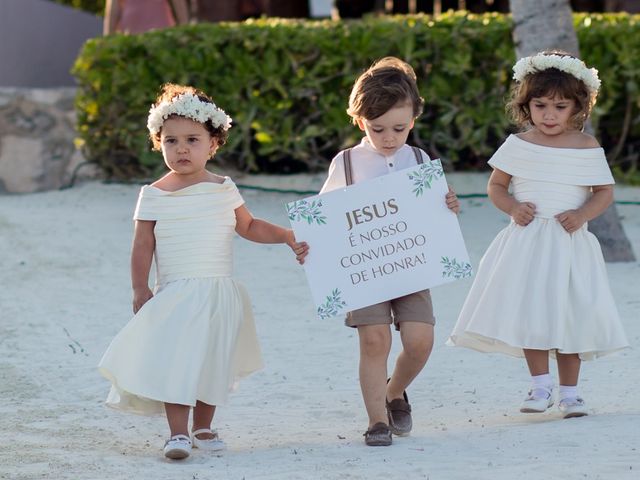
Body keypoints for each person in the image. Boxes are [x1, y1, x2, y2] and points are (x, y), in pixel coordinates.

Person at [98, 83, 309, 460]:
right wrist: (138, 288)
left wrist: (287, 236)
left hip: (219, 291)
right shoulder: (154, 194)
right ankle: (177, 433)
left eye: (192, 140)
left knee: (213, 359)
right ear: (158, 143)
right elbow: (142, 244)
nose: (181, 149)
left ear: (213, 143)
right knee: (178, 359)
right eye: (171, 141)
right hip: (177, 291)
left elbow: (249, 226)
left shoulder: (223, 188)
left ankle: (204, 426)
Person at [447, 51, 629, 418]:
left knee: (570, 313)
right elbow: (496, 186)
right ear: (525, 105)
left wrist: (582, 214)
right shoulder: (518, 145)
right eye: (540, 105)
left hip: (569, 243)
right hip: (528, 242)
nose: (549, 114)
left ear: (577, 107)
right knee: (532, 312)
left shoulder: (586, 146)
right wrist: (512, 207)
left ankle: (571, 393)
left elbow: (604, 192)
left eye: (560, 107)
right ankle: (540, 385)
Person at [320, 57, 460, 446]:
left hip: (411, 266)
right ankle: (376, 421)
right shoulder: (346, 163)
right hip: (365, 270)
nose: (388, 137)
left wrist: (447, 206)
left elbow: (434, 214)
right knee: (374, 340)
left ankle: (394, 391)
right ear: (359, 120)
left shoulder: (419, 160)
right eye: (377, 128)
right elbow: (324, 216)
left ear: (414, 118)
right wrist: (309, 246)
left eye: (399, 128)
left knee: (420, 341)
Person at [103, 0, 190, 35]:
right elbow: (113, 11)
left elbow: (179, 4)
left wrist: (185, 30)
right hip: (131, 35)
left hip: (161, 34)